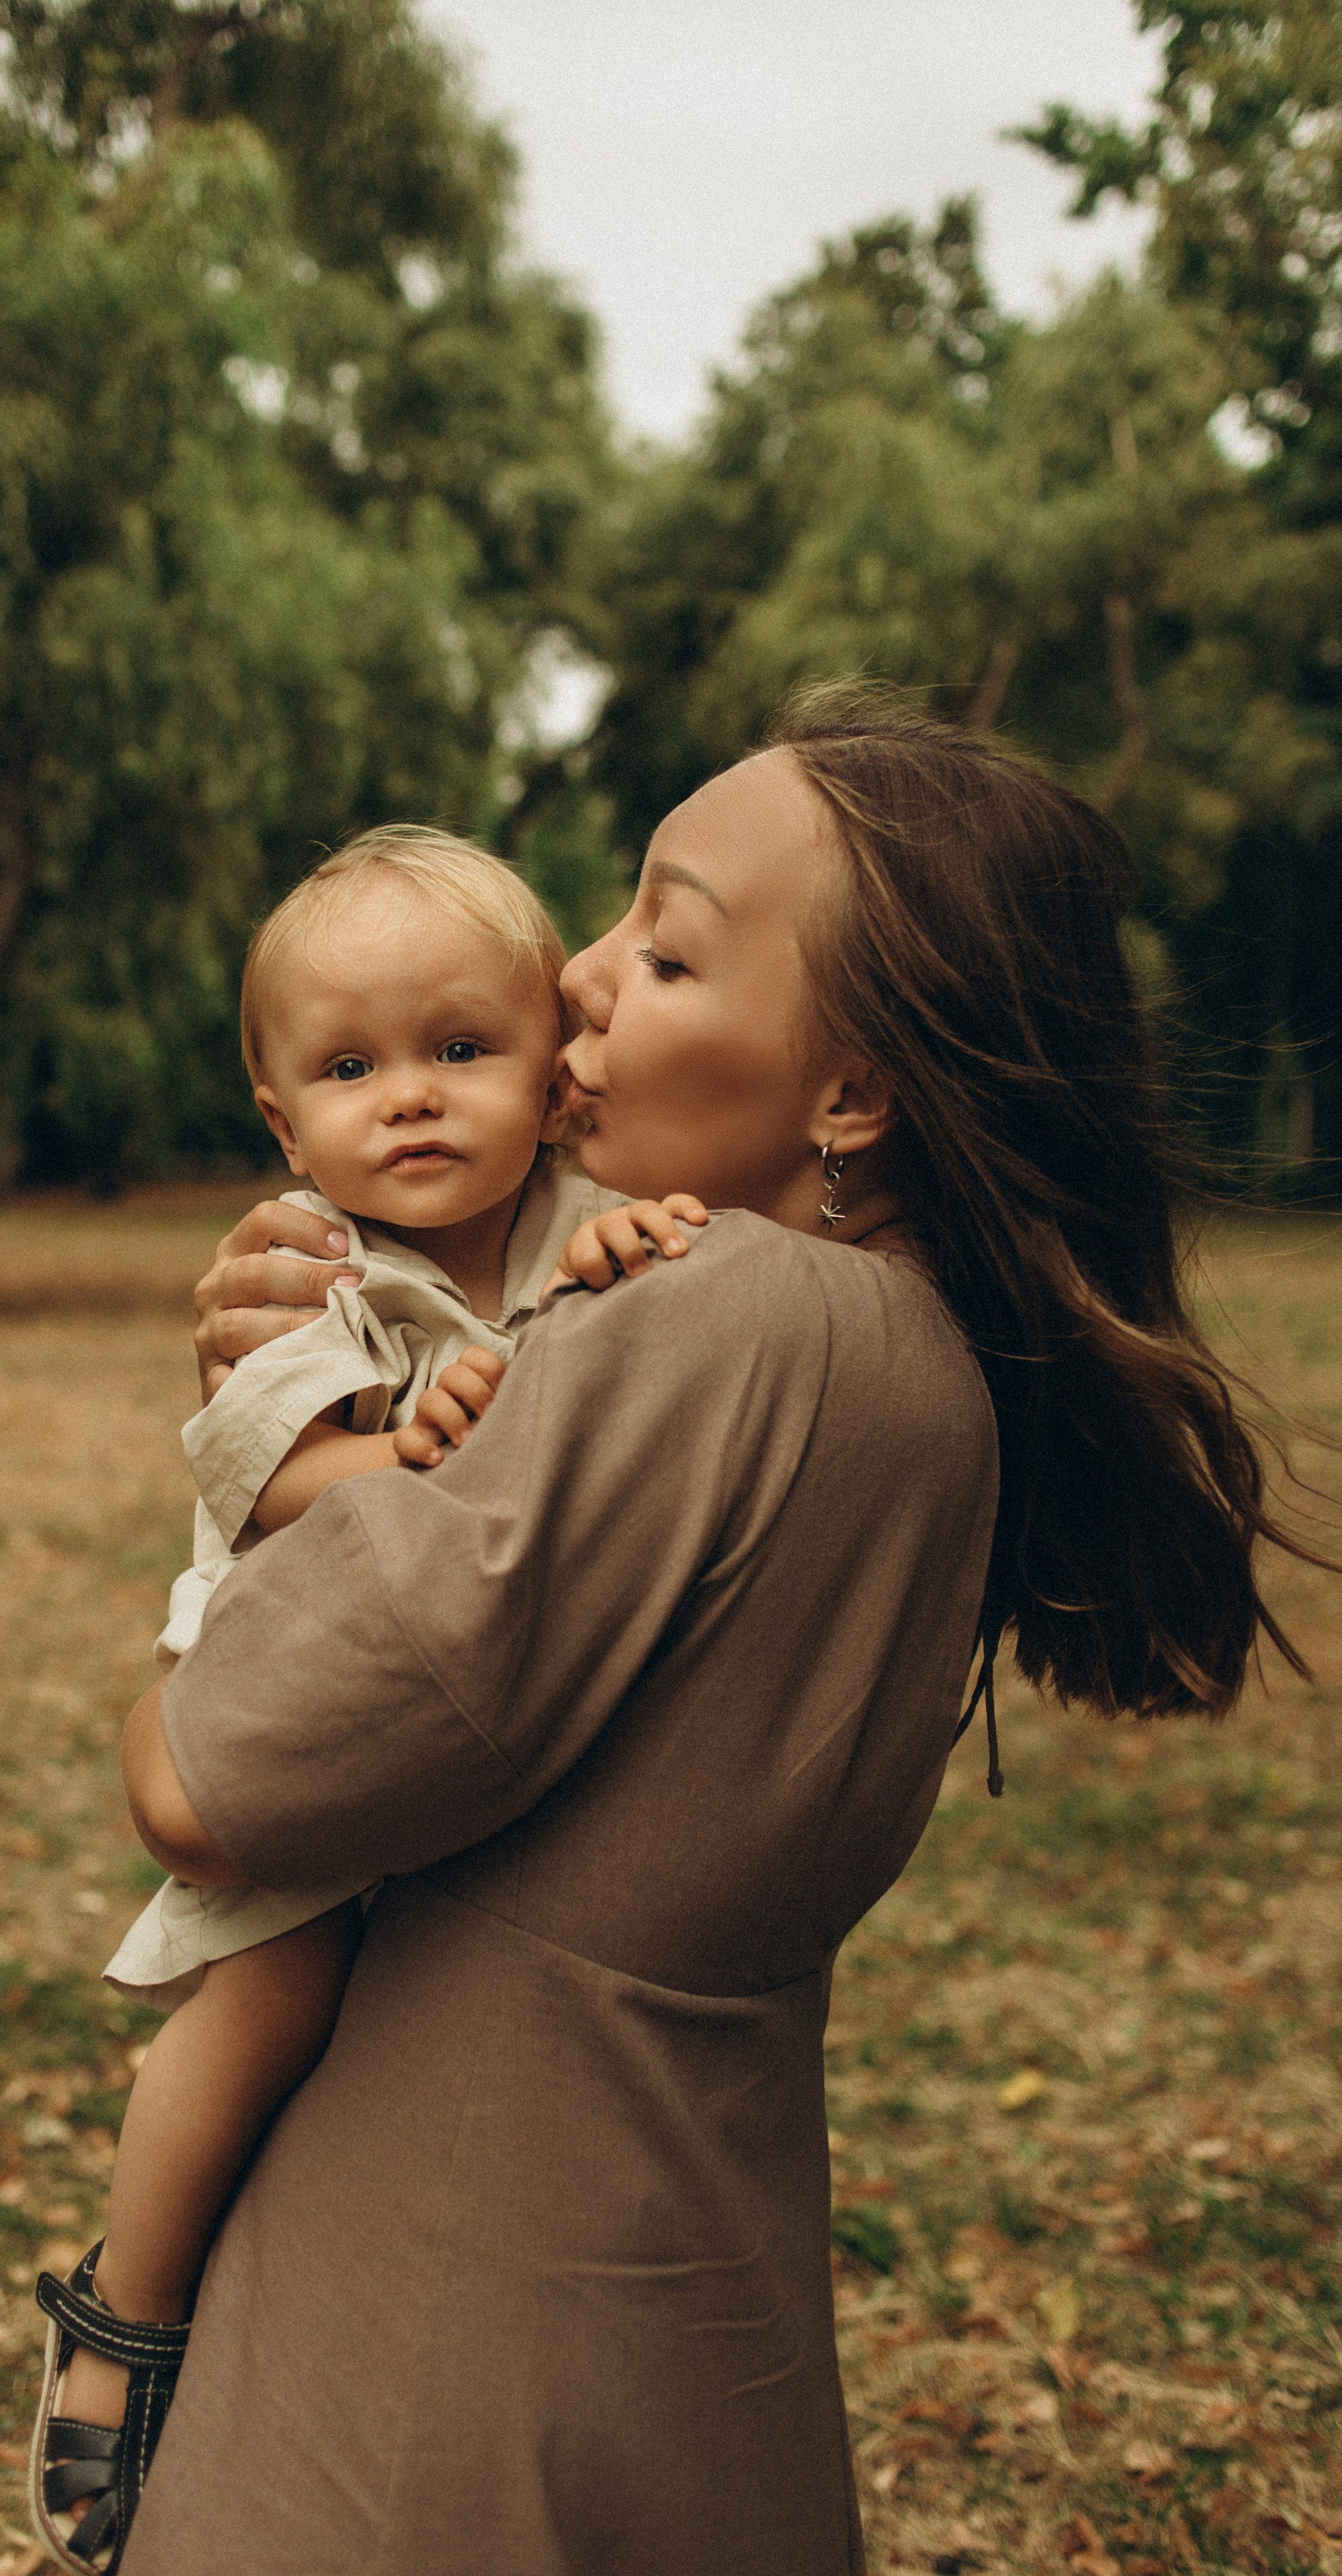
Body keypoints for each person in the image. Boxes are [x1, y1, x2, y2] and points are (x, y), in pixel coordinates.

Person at [117, 688, 1319, 2576]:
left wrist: (259, 1458)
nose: (579, 979)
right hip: (692, 2281)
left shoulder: (724, 1316)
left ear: (853, 1095)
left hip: (436, 2316)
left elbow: (202, 1786)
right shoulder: (923, 1361)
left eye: (667, 950)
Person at [30, 826, 700, 2576]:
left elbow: (630, 1347)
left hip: (472, 1693)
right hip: (292, 1675)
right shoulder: (301, 1267)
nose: (407, 1097)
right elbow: (264, 1479)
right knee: (273, 1997)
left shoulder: (577, 1228)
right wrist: (394, 1455)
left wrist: (637, 1253)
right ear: (282, 1121)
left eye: (460, 1048)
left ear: (552, 1073)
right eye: (349, 1069)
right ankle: (124, 2319)